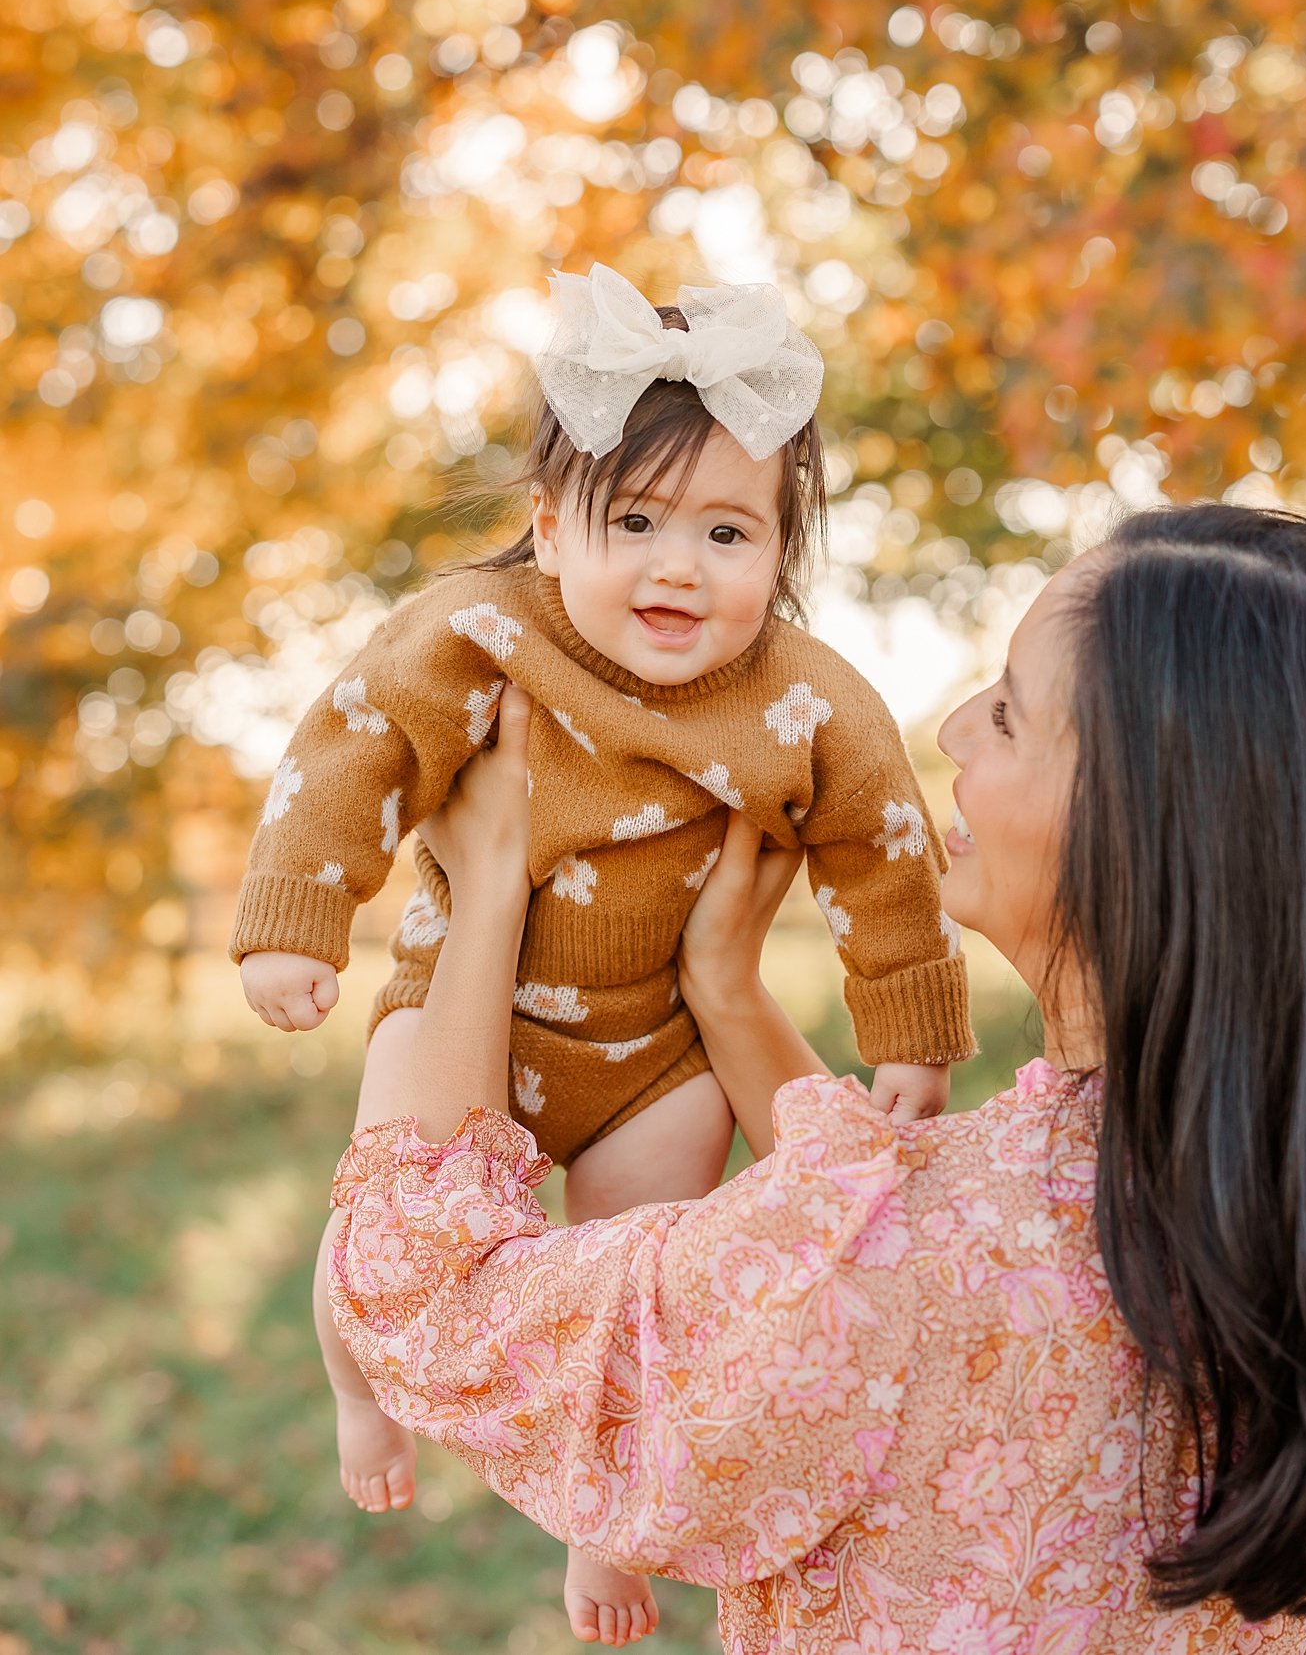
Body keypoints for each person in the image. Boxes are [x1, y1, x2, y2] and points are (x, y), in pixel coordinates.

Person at [325, 505, 1306, 1650]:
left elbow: (426, 1299)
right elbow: (914, 1276)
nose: (952, 728)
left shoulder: (897, 1257)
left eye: (1010, 713)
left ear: (1145, 825)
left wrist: (486, 889)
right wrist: (727, 995)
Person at [232, 263, 974, 1641]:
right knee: (371, 1251)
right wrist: (296, 918)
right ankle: (353, 1381)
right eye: (633, 520)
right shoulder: (478, 630)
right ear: (547, 527)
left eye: (728, 532)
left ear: (782, 553)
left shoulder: (806, 694)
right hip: (469, 1016)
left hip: (658, 1059)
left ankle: (602, 1522)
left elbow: (883, 847)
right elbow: (355, 747)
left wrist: (909, 1031)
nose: (677, 565)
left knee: (638, 1292)